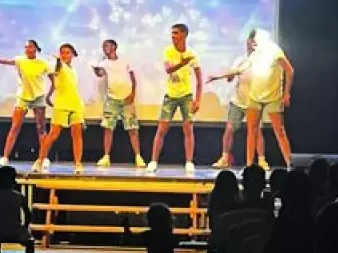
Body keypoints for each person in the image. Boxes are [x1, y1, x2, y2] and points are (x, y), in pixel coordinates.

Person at [206, 30, 268, 169]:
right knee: (229, 129)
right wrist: (227, 76)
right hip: (238, 101)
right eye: (251, 41)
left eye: (256, 42)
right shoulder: (240, 60)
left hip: (254, 102)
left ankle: (261, 160)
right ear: (248, 42)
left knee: (257, 131)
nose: (253, 44)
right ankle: (224, 158)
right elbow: (231, 76)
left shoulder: (262, 61)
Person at [146, 23, 203, 175]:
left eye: (176, 33)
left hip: (186, 96)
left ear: (184, 35)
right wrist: (182, 63)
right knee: (162, 128)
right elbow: (168, 69)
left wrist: (198, 100)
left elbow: (199, 79)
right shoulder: (168, 51)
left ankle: (189, 162)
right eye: (172, 33)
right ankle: (153, 161)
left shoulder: (192, 54)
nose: (173, 36)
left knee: (188, 129)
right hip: (170, 95)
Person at [0, 40, 52, 166]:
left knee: (41, 128)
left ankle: (44, 158)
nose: (27, 49)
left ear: (36, 48)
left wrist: (49, 95)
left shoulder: (43, 63)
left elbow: (53, 77)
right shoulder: (20, 60)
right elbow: (7, 61)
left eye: (30, 47)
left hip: (38, 96)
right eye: (26, 47)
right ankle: (5, 157)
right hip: (23, 97)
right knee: (15, 127)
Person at [32, 43, 85, 174]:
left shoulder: (73, 70)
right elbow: (56, 69)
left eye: (67, 52)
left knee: (77, 135)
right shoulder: (58, 65)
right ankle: (39, 161)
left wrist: (49, 95)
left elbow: (57, 84)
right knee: (53, 134)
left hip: (76, 104)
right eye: (62, 52)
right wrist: (58, 60)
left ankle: (78, 164)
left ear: (73, 54)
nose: (64, 55)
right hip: (61, 104)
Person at [244, 28, 293, 167]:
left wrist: (286, 93)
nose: (252, 43)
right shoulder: (255, 53)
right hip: (255, 95)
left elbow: (289, 70)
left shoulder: (274, 50)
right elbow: (241, 69)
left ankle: (290, 164)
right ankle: (249, 165)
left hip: (273, 96)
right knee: (252, 130)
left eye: (254, 40)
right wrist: (219, 76)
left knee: (279, 130)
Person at [92, 39, 145, 167]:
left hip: (127, 98)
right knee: (108, 128)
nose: (104, 48)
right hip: (112, 98)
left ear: (114, 47)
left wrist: (133, 93)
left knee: (132, 128)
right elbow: (100, 74)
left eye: (106, 45)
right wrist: (95, 68)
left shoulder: (125, 60)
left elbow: (133, 77)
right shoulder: (104, 62)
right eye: (103, 46)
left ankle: (138, 157)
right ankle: (106, 157)